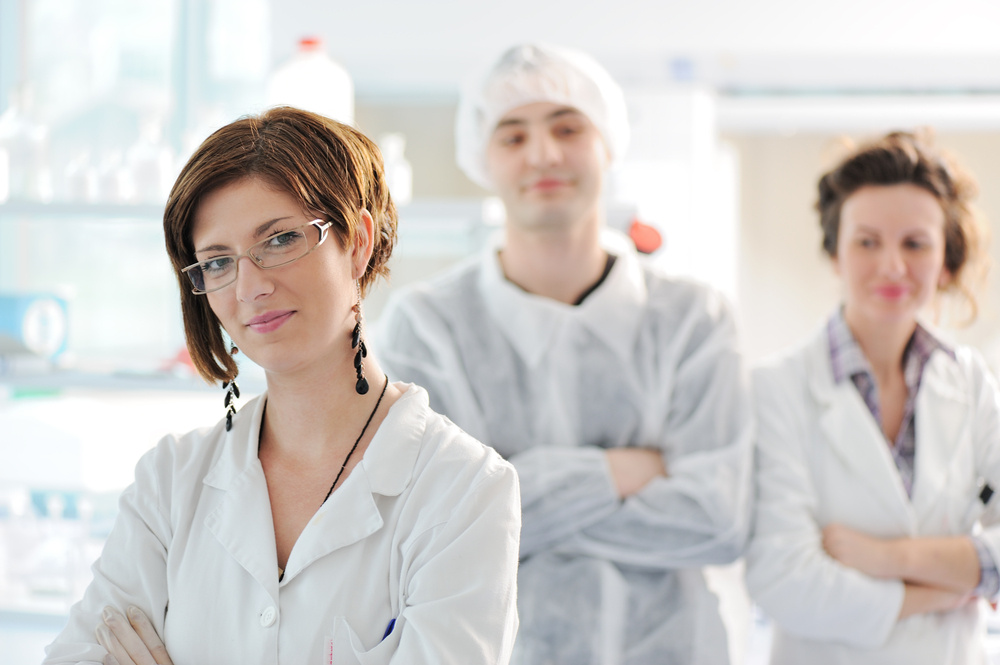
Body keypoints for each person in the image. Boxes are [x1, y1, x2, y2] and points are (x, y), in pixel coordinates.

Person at [43, 106, 521, 665]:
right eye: (217, 262)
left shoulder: (463, 491)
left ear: (359, 241)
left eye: (279, 240)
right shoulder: (170, 482)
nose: (250, 286)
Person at [377, 44, 754, 664]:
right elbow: (430, 532)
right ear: (483, 160)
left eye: (567, 127)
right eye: (513, 135)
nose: (544, 154)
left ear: (609, 143)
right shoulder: (429, 328)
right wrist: (620, 472)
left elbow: (717, 519)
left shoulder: (694, 321)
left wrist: (508, 491)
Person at [745, 130, 1000, 664]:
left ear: (946, 260)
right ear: (834, 252)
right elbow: (783, 579)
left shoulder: (971, 382)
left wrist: (887, 557)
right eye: (867, 241)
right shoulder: (776, 388)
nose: (891, 266)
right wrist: (950, 584)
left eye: (915, 243)